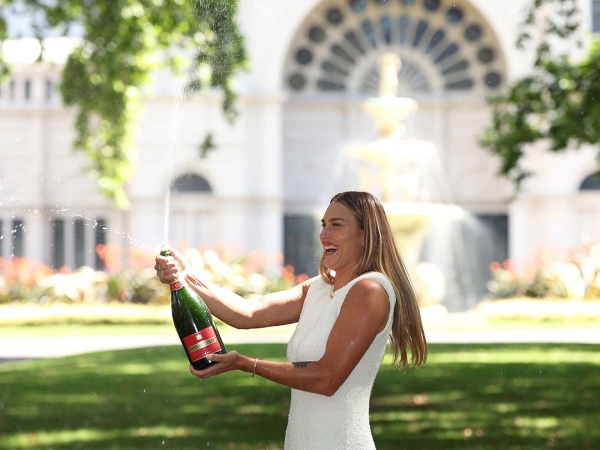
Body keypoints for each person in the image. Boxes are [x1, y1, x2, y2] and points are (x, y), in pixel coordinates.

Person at [154, 191, 427, 449]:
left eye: (336, 225)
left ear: (366, 235)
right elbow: (248, 312)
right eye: (324, 225)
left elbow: (327, 378)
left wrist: (246, 363)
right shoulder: (318, 288)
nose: (324, 235)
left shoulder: (369, 291)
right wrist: (184, 275)